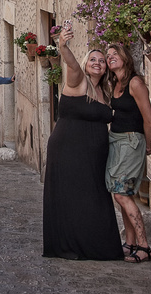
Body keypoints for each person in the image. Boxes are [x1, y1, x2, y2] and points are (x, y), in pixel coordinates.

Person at [42, 25, 124, 261]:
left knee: (92, 198)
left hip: (93, 157)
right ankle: (70, 245)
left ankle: (94, 245)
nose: (97, 63)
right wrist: (64, 46)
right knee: (72, 198)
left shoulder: (106, 92)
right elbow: (72, 64)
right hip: (68, 150)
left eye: (102, 60)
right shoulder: (79, 81)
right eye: (93, 59)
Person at [105, 43, 151, 262]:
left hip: (131, 141)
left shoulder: (135, 83)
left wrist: (148, 143)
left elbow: (149, 119)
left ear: (126, 58)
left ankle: (144, 246)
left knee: (121, 194)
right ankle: (130, 242)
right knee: (122, 195)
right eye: (108, 55)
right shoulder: (115, 83)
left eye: (115, 54)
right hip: (116, 142)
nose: (110, 58)